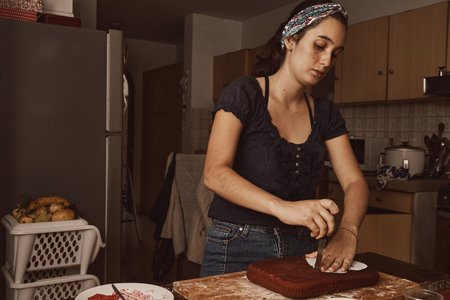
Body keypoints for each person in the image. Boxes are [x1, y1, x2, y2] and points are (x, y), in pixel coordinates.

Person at [200, 0, 369, 277]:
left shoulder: (326, 113)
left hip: (302, 248)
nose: (327, 61)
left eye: (335, 53)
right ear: (291, 39)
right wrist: (283, 208)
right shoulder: (245, 93)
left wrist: (347, 232)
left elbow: (354, 182)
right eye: (319, 46)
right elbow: (214, 173)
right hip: (236, 243)